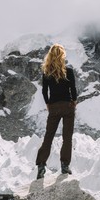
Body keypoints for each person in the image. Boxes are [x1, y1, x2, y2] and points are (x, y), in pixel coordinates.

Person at [35, 43, 77, 179]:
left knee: (49, 136)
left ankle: (41, 165)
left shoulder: (46, 72)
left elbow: (44, 91)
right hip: (67, 106)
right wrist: (73, 102)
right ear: (62, 55)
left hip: (53, 106)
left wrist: (48, 104)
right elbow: (73, 89)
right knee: (67, 137)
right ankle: (65, 166)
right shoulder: (68, 70)